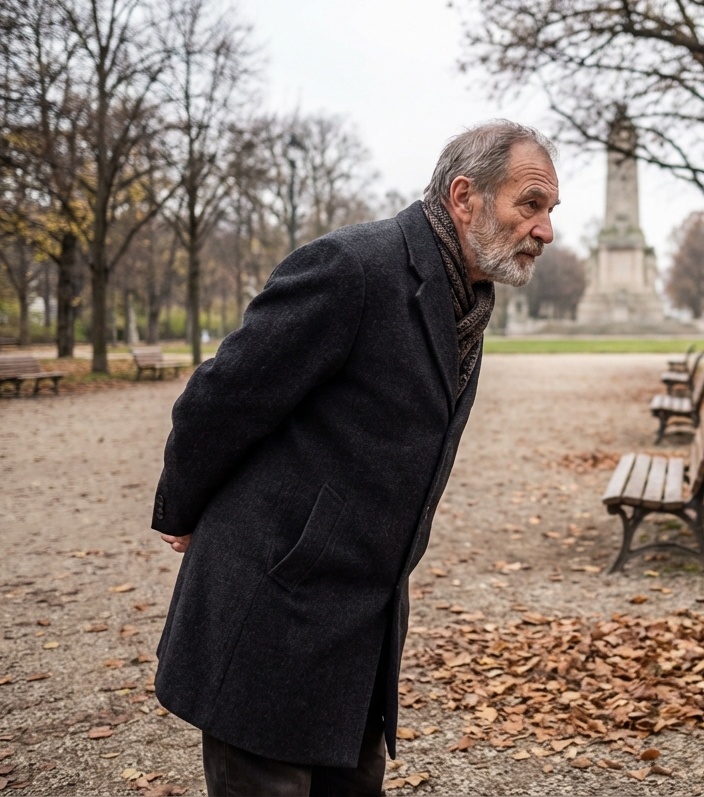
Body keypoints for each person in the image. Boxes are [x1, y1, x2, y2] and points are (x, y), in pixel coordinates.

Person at [150, 121, 559, 795]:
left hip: (358, 626)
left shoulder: (469, 299)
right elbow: (219, 399)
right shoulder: (352, 268)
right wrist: (184, 512)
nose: (545, 230)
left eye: (549, 211)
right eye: (530, 204)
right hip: (271, 611)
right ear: (465, 197)